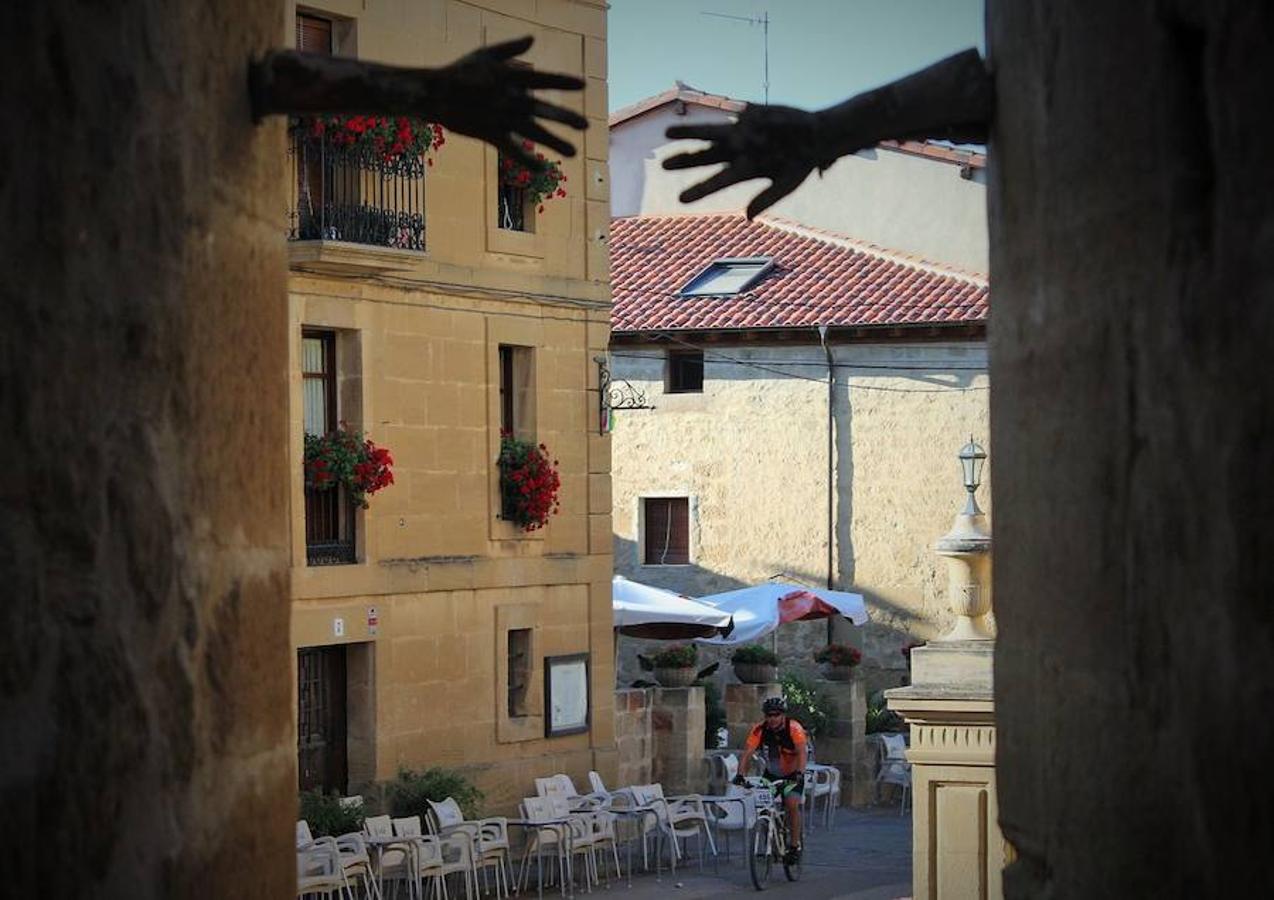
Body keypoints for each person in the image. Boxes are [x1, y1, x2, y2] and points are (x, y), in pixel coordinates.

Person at [734, 696, 807, 864]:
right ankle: (770, 842)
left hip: (792, 774)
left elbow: (802, 752)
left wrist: (800, 773)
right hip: (771, 774)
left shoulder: (794, 728)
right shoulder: (760, 730)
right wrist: (740, 775)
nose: (772, 719)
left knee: (791, 804)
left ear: (783, 715)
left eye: (776, 715)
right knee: (764, 807)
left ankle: (794, 846)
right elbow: (747, 754)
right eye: (769, 715)